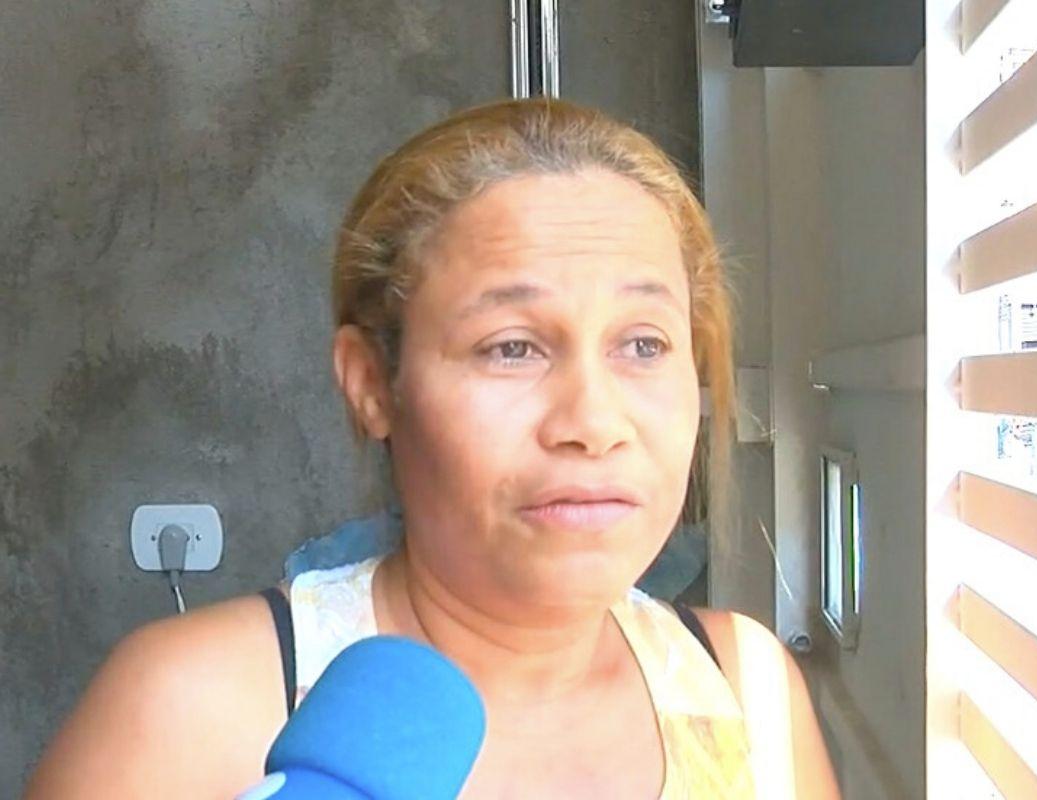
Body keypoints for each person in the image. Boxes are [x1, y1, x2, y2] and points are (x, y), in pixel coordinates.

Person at [25, 98, 838, 799]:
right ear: (372, 383)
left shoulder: (748, 692)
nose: (595, 422)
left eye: (644, 344)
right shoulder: (193, 708)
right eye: (511, 347)